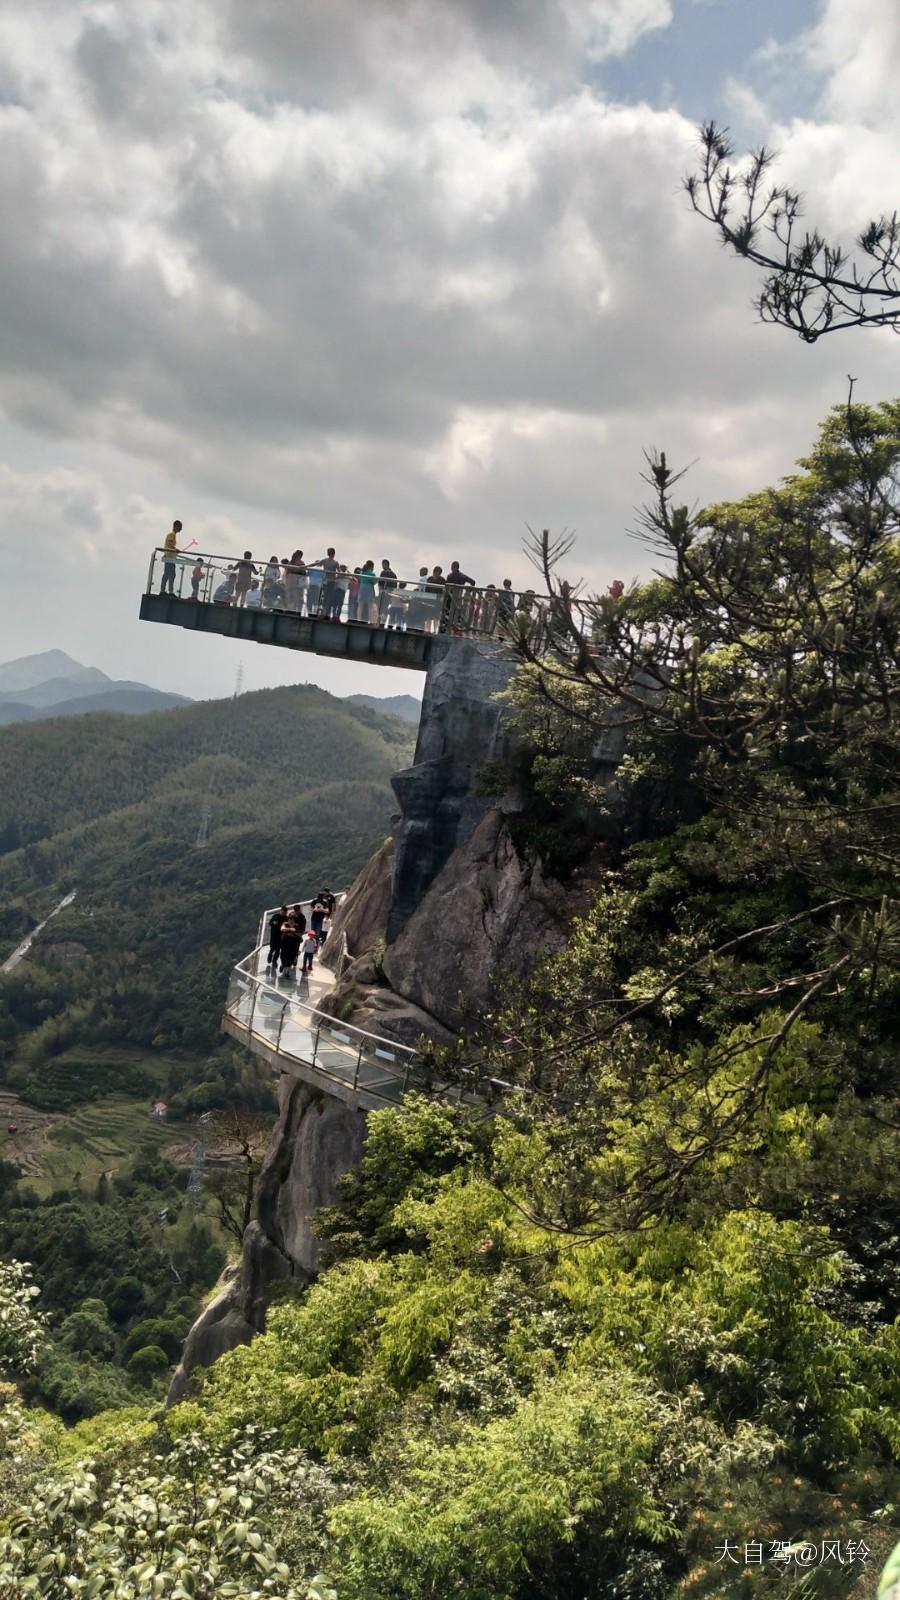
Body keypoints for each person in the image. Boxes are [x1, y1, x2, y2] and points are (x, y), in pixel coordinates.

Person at [315, 548, 341, 618]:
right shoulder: (335, 562)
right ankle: (326, 613)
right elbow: (339, 572)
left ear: (328, 553)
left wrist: (305, 566)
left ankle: (321, 613)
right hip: (331, 582)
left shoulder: (325, 560)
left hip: (325, 581)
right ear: (334, 554)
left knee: (323, 598)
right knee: (329, 598)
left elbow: (316, 564)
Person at [160, 520, 182, 595]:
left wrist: (175, 550)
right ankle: (167, 591)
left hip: (170, 558)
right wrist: (176, 549)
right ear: (176, 526)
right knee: (169, 574)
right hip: (169, 557)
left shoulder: (173, 535)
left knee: (169, 574)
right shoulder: (171, 534)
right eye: (180, 527)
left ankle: (166, 590)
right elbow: (169, 544)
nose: (181, 529)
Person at [357, 560, 378, 624]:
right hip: (369, 589)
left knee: (360, 606)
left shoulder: (362, 572)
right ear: (371, 566)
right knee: (370, 607)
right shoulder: (372, 574)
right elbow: (374, 582)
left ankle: (359, 620)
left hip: (362, 589)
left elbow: (359, 579)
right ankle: (370, 621)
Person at [377, 559, 397, 623]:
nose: (382, 566)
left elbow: (380, 583)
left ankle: (379, 621)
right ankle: (383, 622)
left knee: (380, 608)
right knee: (385, 608)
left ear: (385, 564)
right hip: (389, 594)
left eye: (383, 564)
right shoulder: (394, 574)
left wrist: (380, 591)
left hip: (383, 593)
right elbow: (395, 586)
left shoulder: (383, 572)